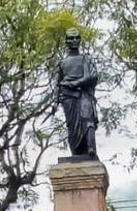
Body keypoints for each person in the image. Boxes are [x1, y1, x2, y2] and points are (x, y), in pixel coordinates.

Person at [56, 28, 99, 158]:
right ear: (66, 41)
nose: (74, 40)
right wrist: (56, 100)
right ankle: (77, 153)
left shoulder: (86, 59)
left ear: (80, 40)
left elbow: (93, 76)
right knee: (72, 126)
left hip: (84, 94)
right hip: (68, 98)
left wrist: (76, 83)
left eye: (76, 37)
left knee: (88, 120)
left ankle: (91, 148)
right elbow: (58, 84)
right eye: (71, 38)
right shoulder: (62, 63)